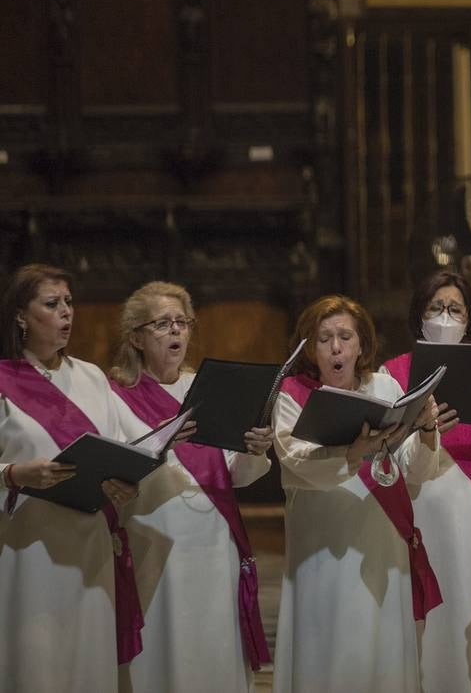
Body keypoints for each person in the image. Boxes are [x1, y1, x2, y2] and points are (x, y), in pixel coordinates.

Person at [271, 295, 453, 693]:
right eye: (324, 339)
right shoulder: (292, 394)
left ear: (361, 345)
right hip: (321, 549)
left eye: (345, 337)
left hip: (380, 547)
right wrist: (350, 455)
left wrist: (425, 428)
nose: (336, 347)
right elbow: (294, 463)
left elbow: (417, 470)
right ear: (310, 348)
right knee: (326, 652)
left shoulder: (384, 386)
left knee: (381, 651)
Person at [108, 281, 273, 693]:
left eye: (182, 322)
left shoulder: (204, 386)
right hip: (157, 545)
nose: (177, 330)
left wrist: (255, 449)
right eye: (163, 323)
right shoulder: (115, 395)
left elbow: (237, 473)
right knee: (168, 656)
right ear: (136, 336)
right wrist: (160, 445)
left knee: (213, 651)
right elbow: (112, 469)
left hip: (216, 544)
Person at [0, 264, 145, 693]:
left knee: (88, 660)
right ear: (22, 316)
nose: (66, 312)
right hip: (29, 547)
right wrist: (12, 473)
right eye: (52, 303)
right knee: (36, 661)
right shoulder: (3, 381)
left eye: (69, 302)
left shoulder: (92, 376)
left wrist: (128, 483)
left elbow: (120, 449)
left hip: (90, 542)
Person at [381, 270, 471, 693]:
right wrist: (418, 427)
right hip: (421, 506)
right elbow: (383, 451)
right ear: (419, 316)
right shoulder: (392, 373)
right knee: (432, 622)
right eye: (436, 308)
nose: (446, 317)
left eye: (455, 309)